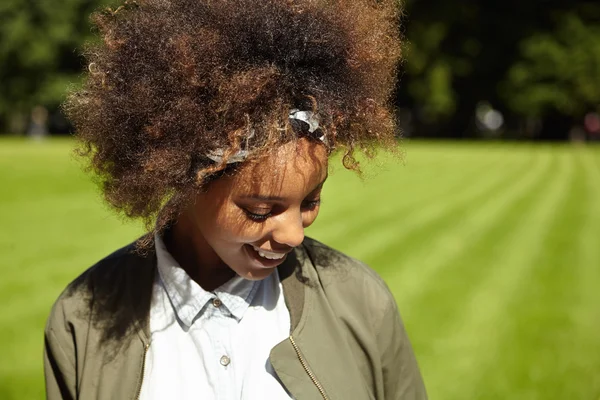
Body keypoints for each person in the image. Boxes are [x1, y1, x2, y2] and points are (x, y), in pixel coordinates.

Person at [44, 0, 427, 399]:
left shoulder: (363, 303)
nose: (294, 234)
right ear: (187, 177)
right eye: (261, 210)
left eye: (310, 201)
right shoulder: (81, 319)